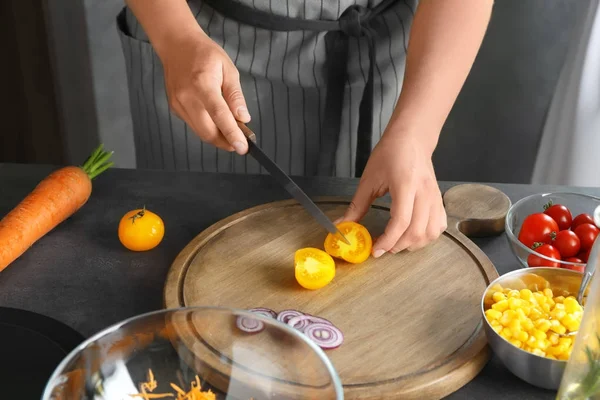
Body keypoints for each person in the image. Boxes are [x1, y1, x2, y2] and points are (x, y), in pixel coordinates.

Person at [116, 0, 493, 258]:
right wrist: (176, 37)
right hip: (198, 44)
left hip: (381, 58)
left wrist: (416, 133)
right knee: (180, 247)